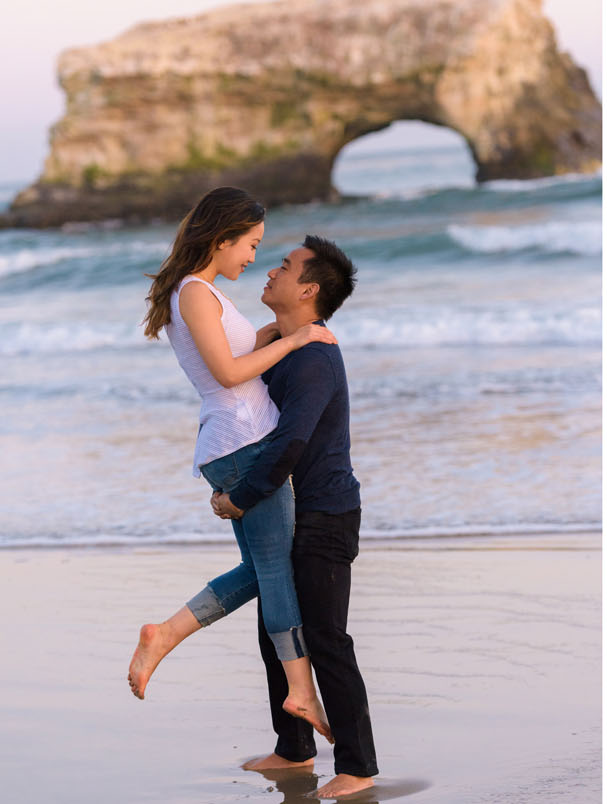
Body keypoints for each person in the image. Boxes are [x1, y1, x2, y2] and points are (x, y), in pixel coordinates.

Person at [128, 187, 334, 744]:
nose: (253, 257)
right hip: (242, 440)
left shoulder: (199, 292)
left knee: (262, 569)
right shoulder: (196, 293)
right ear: (222, 238)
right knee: (275, 570)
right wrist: (297, 344)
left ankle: (164, 634)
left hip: (233, 442)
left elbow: (234, 353)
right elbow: (227, 374)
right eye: (250, 244)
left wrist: (275, 334)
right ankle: (300, 689)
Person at [215, 235, 380, 799]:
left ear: (308, 289)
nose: (270, 272)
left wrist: (242, 496)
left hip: (326, 512)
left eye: (284, 267)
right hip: (289, 508)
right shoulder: (286, 347)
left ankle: (359, 766)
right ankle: (294, 749)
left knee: (327, 637)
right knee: (275, 630)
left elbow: (290, 440)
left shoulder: (313, 358)